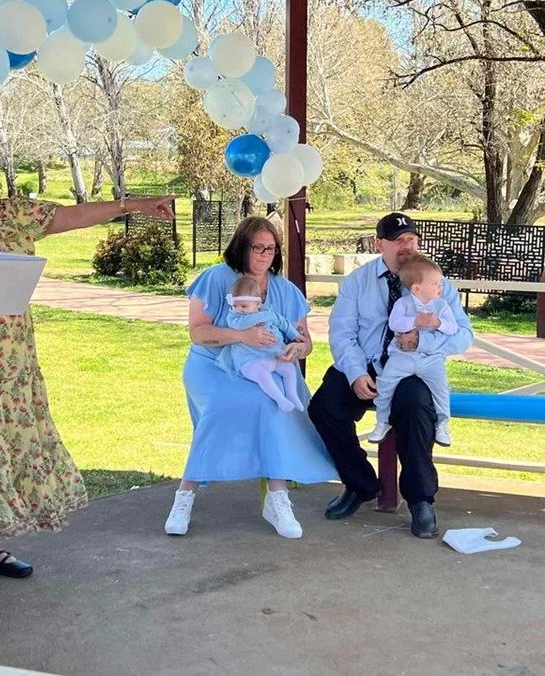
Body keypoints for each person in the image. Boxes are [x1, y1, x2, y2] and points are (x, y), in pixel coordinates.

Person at [0, 128, 174, 597]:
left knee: (2, 445)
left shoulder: (12, 214)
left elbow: (74, 215)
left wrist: (136, 205)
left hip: (11, 361)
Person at [164, 216, 338, 540]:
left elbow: (306, 341)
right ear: (242, 247)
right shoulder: (216, 278)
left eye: (271, 248)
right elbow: (197, 333)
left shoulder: (285, 290)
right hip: (214, 365)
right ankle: (184, 495)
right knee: (220, 407)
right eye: (258, 247)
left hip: (268, 366)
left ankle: (277, 498)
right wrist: (241, 336)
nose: (264, 255)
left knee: (271, 403)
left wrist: (296, 352)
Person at [307, 212, 473, 539]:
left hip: (415, 363)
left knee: (415, 404)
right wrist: (355, 373)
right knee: (324, 407)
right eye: (399, 241)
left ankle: (421, 499)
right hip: (368, 361)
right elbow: (342, 333)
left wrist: (423, 340)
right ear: (379, 243)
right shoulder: (358, 281)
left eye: (412, 239)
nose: (408, 247)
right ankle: (360, 484)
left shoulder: (437, 283)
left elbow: (464, 335)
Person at [368, 254, 457, 447]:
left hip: (430, 357)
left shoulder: (441, 306)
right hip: (402, 356)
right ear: (417, 288)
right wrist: (414, 321)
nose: (440, 288)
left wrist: (438, 323)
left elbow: (453, 328)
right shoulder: (403, 304)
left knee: (440, 387)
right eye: (435, 284)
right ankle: (382, 420)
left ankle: (443, 423)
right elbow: (394, 324)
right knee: (385, 383)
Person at [221, 274, 304, 413]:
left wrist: (295, 335)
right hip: (249, 359)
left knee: (289, 370)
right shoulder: (235, 317)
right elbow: (240, 325)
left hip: (273, 355)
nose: (239, 309)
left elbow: (283, 324)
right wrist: (261, 316)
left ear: (258, 304)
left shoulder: (269, 312)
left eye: (244, 306)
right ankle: (280, 399)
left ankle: (292, 395)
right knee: (261, 375)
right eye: (235, 305)